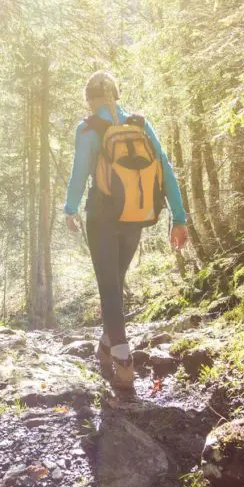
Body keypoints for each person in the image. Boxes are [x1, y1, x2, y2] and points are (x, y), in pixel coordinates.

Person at [64, 71, 188, 393]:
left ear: (89, 100)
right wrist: (179, 217)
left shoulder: (89, 128)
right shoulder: (140, 124)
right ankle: (106, 346)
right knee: (115, 283)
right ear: (116, 96)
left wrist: (70, 208)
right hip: (135, 215)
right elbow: (165, 168)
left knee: (109, 286)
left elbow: (80, 172)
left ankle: (123, 361)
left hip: (103, 216)